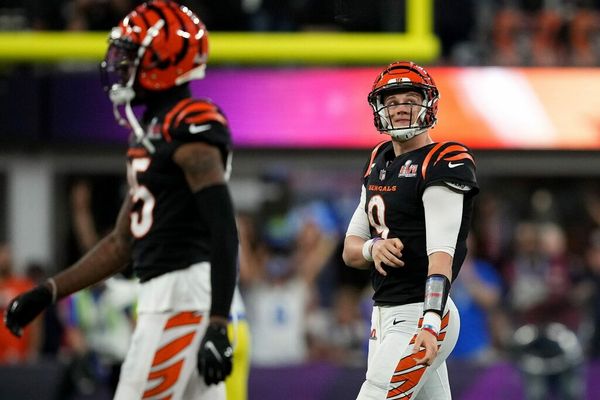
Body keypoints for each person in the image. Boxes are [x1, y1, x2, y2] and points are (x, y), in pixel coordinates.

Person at [3, 1, 239, 399]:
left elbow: (223, 229)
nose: (120, 65)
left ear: (164, 60)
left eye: (132, 55)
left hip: (180, 299)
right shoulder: (154, 131)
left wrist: (218, 321)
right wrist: (49, 290)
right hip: (169, 297)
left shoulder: (189, 126)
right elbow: (121, 243)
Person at [342, 61, 479, 399]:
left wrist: (430, 322)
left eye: (409, 99)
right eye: (391, 101)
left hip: (421, 312)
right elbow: (350, 249)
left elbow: (441, 256)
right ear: (379, 108)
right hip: (383, 314)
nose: (400, 108)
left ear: (427, 104)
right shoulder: (378, 158)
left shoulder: (443, 159)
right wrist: (372, 249)